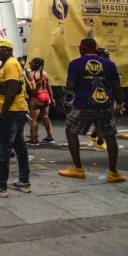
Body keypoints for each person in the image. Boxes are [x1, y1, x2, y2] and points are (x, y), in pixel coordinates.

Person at [58, 38, 125, 183]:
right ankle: (113, 173)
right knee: (110, 135)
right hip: (105, 105)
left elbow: (70, 85)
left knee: (70, 131)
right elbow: (117, 87)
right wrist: (119, 106)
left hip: (83, 104)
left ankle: (77, 168)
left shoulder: (76, 63)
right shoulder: (109, 64)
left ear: (81, 49)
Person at [0, 39, 30, 197]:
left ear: (7, 50)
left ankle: (1, 186)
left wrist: (3, 111)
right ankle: (24, 181)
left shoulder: (10, 64)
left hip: (12, 112)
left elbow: (12, 90)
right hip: (16, 111)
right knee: (20, 147)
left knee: (4, 148)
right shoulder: (9, 63)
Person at [26, 57, 55, 146]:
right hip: (46, 97)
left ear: (34, 64)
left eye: (31, 62)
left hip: (36, 97)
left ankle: (34, 140)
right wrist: (52, 98)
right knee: (46, 117)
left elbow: (33, 88)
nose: (29, 63)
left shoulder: (31, 74)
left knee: (33, 119)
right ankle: (50, 137)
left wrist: (26, 81)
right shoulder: (45, 74)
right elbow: (49, 88)